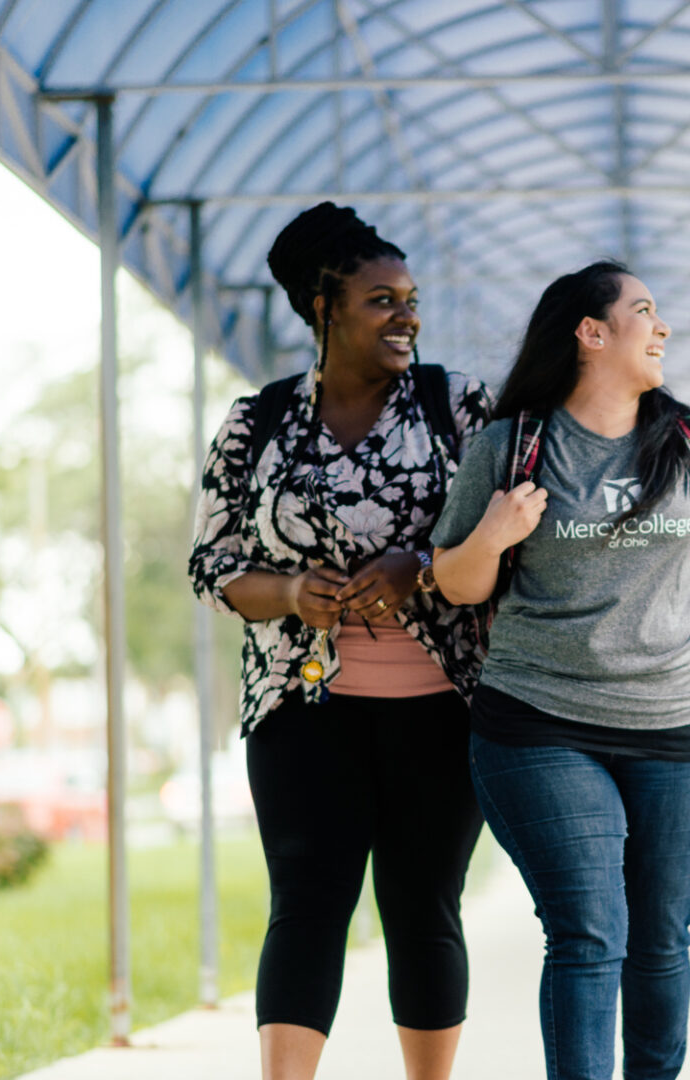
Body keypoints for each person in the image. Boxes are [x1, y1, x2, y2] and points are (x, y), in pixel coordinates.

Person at [428, 261, 690, 1080]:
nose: (662, 328)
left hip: (676, 726)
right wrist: (493, 535)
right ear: (591, 333)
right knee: (591, 931)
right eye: (644, 311)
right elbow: (454, 582)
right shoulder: (512, 446)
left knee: (660, 938)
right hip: (540, 723)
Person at [188, 202, 493, 1080]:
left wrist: (420, 568)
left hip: (441, 709)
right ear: (323, 308)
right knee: (307, 906)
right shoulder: (257, 421)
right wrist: (291, 592)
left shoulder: (456, 405)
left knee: (424, 908)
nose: (406, 317)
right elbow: (211, 565)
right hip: (300, 707)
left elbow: (510, 538)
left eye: (411, 299)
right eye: (381, 300)